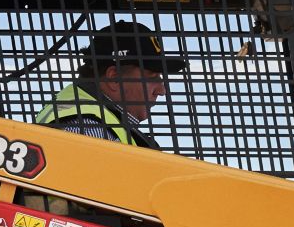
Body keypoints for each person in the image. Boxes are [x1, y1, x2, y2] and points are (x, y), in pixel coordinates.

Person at [35, 20, 186, 150]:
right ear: (114, 78)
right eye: (152, 77)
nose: (161, 90)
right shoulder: (88, 130)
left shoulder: (88, 118)